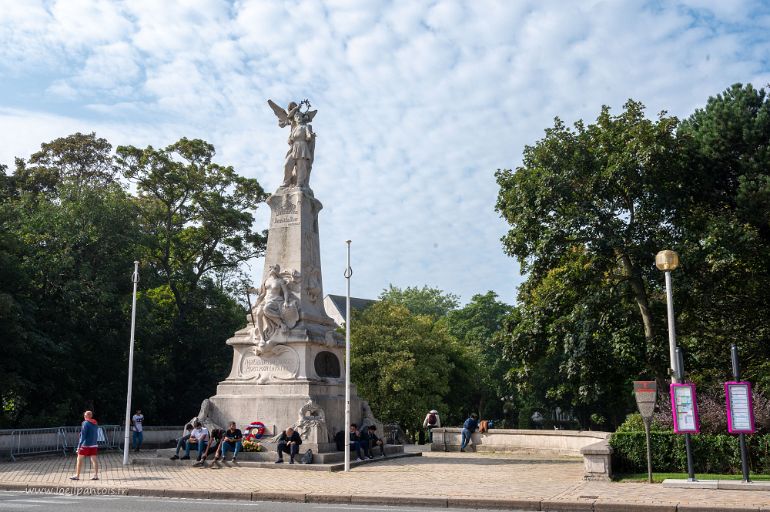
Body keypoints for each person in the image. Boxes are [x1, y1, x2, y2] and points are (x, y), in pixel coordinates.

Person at [70, 410, 99, 481]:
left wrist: (79, 446)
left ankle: (77, 475)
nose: (84, 416)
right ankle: (95, 475)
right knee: (94, 460)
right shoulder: (95, 423)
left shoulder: (85, 423)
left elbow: (83, 435)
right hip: (94, 444)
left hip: (85, 445)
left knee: (79, 459)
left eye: (85, 415)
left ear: (86, 416)